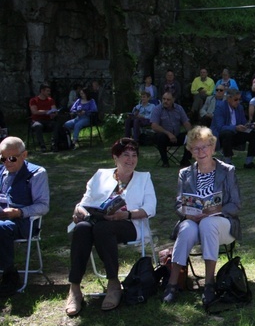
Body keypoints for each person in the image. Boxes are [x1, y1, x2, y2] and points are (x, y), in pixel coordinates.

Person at [66, 138, 156, 315]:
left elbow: (150, 208)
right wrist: (80, 209)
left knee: (102, 229)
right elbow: (85, 200)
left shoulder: (144, 178)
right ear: (115, 158)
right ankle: (74, 288)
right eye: (125, 155)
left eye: (134, 155)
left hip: (129, 223)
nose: (130, 160)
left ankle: (113, 283)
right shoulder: (100, 174)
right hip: (96, 221)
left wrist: (127, 214)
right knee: (82, 229)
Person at [163, 126, 241, 307]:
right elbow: (178, 204)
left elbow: (236, 204)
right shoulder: (185, 173)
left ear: (213, 147)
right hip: (193, 221)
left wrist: (216, 209)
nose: (201, 151)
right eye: (195, 148)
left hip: (222, 223)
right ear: (190, 151)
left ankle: (209, 283)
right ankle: (172, 284)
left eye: (204, 146)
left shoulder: (227, 170)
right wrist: (188, 213)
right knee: (186, 228)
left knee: (208, 224)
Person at [0, 137, 49, 296]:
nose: (7, 162)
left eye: (12, 158)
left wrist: (19, 212)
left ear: (24, 155)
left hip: (25, 221)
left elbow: (43, 206)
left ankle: (9, 274)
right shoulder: (1, 171)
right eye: (2, 158)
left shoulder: (36, 173)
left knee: (1, 228)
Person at [211, 88, 255, 169]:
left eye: (239, 99)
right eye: (236, 99)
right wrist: (235, 128)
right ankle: (228, 161)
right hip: (221, 136)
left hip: (236, 133)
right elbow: (220, 127)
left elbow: (243, 123)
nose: (238, 102)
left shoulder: (239, 108)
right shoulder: (220, 107)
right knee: (227, 133)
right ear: (228, 98)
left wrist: (251, 126)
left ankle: (249, 162)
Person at [150, 92, 192, 168]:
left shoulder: (179, 108)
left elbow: (186, 122)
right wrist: (168, 134)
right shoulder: (157, 109)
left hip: (176, 136)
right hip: (163, 137)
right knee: (160, 137)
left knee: (191, 136)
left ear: (173, 100)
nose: (165, 101)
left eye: (168, 99)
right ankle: (165, 162)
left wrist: (191, 132)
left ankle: (185, 160)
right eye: (164, 99)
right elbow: (154, 126)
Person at [29, 83, 60, 152]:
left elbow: (54, 110)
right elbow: (34, 111)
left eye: (49, 91)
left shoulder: (51, 100)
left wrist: (53, 114)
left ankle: (54, 144)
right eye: (47, 91)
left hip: (48, 120)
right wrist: (46, 111)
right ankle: (42, 146)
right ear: (42, 91)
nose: (49, 93)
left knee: (56, 124)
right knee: (38, 126)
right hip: (37, 120)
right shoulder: (33, 100)